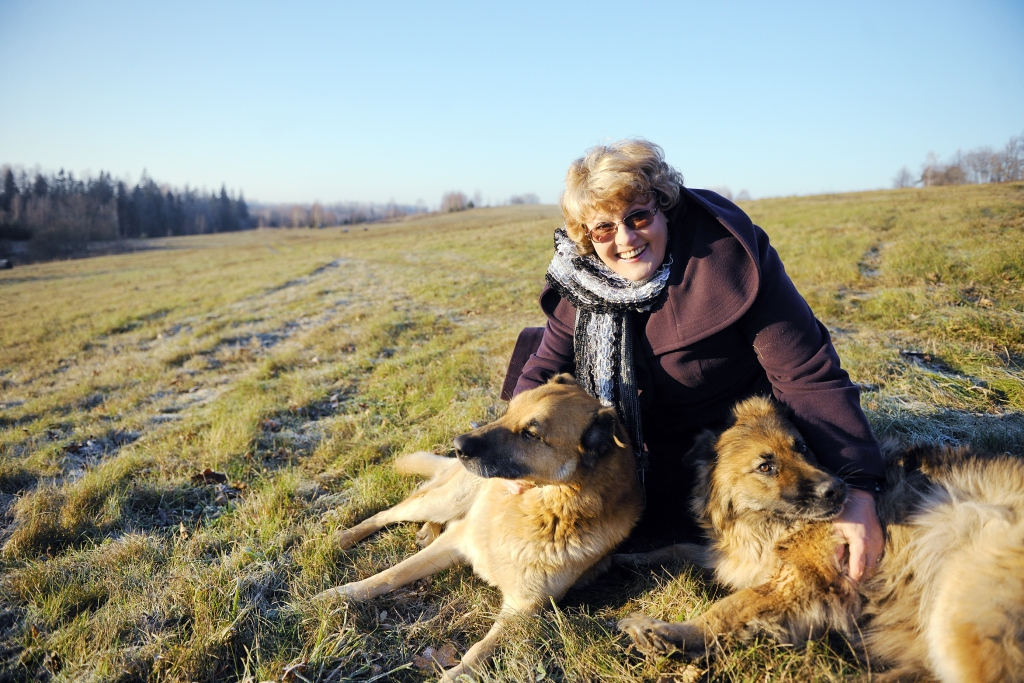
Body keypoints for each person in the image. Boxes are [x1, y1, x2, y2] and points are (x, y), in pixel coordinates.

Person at [512, 139, 884, 583]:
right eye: (604, 229)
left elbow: (807, 374)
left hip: (724, 460)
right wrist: (513, 457)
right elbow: (540, 372)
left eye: (638, 216)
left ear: (664, 206)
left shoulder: (729, 259)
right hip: (622, 461)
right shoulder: (583, 282)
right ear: (588, 238)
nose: (626, 239)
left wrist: (859, 486)